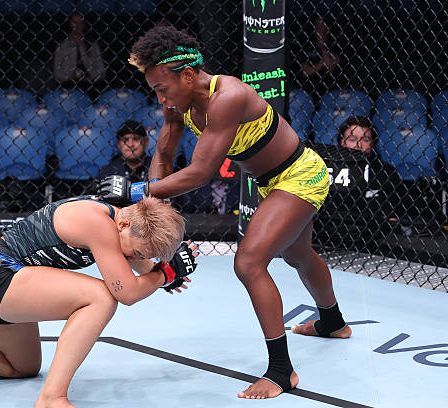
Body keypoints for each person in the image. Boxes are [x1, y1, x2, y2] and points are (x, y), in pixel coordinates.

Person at [98, 25, 351, 399]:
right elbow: (164, 154)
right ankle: (333, 322)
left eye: (162, 87)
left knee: (248, 263)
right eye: (155, 89)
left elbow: (201, 173)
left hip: (299, 174)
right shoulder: (177, 104)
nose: (160, 97)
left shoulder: (228, 97)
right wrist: (151, 204)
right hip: (269, 182)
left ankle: (282, 372)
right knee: (297, 254)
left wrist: (135, 190)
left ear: (187, 75)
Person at [0, 195, 198, 408]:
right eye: (137, 252)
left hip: (5, 284)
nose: (135, 258)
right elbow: (128, 293)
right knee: (101, 298)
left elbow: (142, 268)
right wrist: (165, 275)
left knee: (21, 367)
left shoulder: (119, 223)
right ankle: (52, 398)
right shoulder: (98, 224)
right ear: (123, 224)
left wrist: (167, 275)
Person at [314, 116, 402, 252]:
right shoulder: (323, 170)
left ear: (372, 144)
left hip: (373, 243)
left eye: (365, 140)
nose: (358, 145)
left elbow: (391, 217)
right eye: (352, 139)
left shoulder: (386, 172)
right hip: (322, 239)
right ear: (342, 143)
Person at [53, 12, 106, 101]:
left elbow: (102, 70)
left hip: (91, 83)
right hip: (69, 84)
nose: (77, 25)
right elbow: (57, 73)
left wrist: (91, 77)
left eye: (80, 22)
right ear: (69, 24)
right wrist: (70, 77)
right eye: (74, 22)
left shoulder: (92, 45)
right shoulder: (62, 46)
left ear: (84, 25)